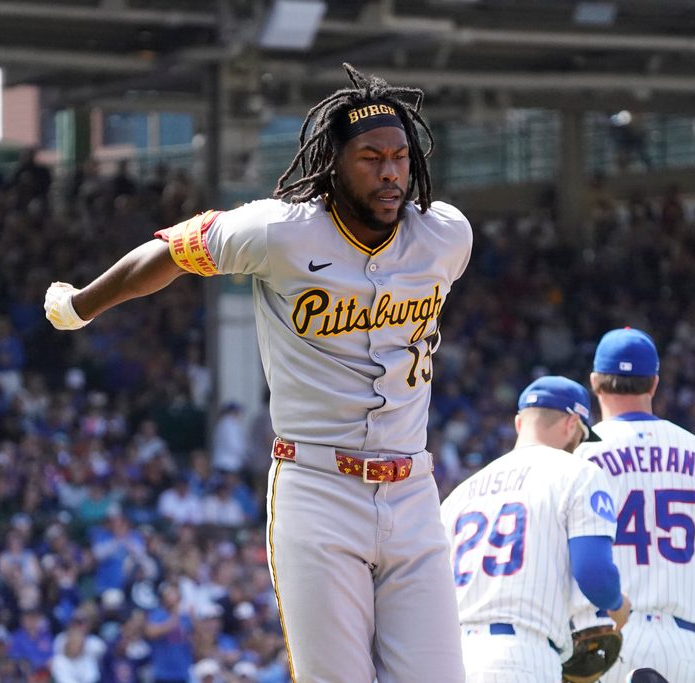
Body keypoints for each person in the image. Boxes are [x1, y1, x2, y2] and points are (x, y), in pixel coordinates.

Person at [45, 63, 473, 682]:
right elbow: (168, 252)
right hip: (319, 488)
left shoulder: (445, 235)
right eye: (371, 157)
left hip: (414, 488)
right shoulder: (278, 231)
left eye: (401, 157)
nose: (390, 172)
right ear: (332, 164)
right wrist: (82, 304)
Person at [573, 329, 695, 683]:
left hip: (601, 638)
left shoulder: (579, 458)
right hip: (682, 645)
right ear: (654, 383)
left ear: (595, 382)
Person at [440, 376, 631, 682]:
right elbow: (594, 573)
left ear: (519, 424)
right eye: (581, 437)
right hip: (522, 656)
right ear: (571, 424)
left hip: (451, 658)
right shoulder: (578, 474)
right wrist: (618, 604)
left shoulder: (459, 494)